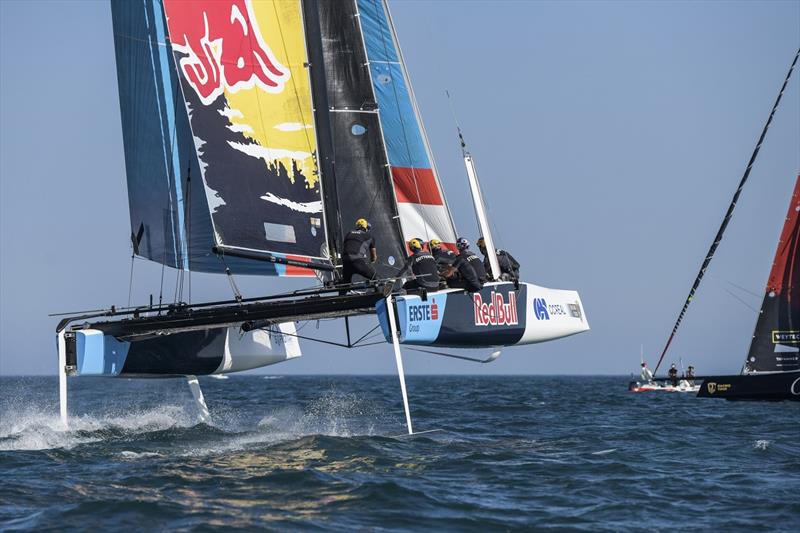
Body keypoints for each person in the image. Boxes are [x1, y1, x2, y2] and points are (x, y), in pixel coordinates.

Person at [341, 218, 377, 284]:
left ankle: (342, 293)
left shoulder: (349, 234)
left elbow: (347, 247)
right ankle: (381, 292)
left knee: (345, 284)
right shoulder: (370, 236)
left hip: (345, 262)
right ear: (366, 227)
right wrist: (372, 261)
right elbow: (373, 257)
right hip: (357, 262)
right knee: (376, 277)